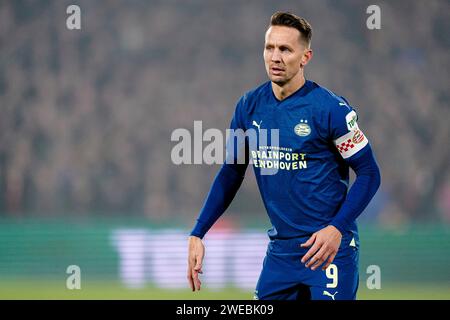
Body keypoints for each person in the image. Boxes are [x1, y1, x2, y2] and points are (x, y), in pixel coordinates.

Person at [187, 11, 381, 300]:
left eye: (285, 49)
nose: (275, 57)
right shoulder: (249, 106)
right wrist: (198, 233)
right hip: (281, 254)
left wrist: (337, 229)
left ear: (305, 57)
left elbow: (369, 173)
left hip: (328, 251)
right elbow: (231, 172)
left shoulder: (330, 109)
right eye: (270, 48)